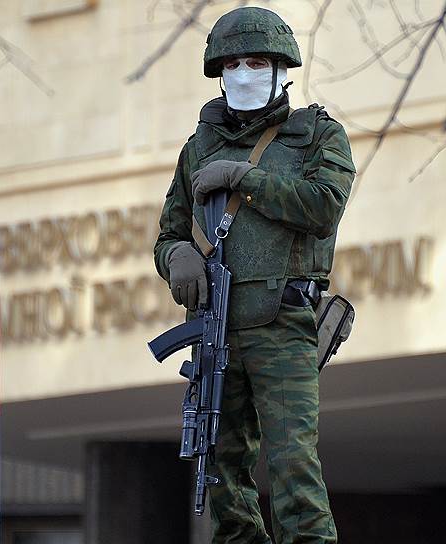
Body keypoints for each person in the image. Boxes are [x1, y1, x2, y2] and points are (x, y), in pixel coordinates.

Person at [153, 6, 356, 543]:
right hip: (216, 328)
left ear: (281, 68)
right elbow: (169, 233)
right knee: (221, 469)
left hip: (283, 325)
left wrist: (248, 179)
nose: (244, 72)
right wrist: (177, 258)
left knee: (293, 465)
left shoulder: (316, 136)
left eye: (257, 61)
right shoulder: (198, 148)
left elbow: (322, 208)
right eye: (234, 63)